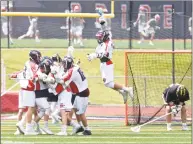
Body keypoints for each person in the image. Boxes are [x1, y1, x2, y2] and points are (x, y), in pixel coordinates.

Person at [87, 30, 133, 104]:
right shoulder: (105, 43)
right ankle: (122, 92)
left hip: (107, 63)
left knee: (109, 83)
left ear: (104, 37)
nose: (99, 39)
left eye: (100, 37)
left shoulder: (107, 44)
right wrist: (93, 55)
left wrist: (95, 55)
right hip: (103, 63)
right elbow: (100, 53)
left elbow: (104, 54)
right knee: (107, 84)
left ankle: (127, 89)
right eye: (98, 37)